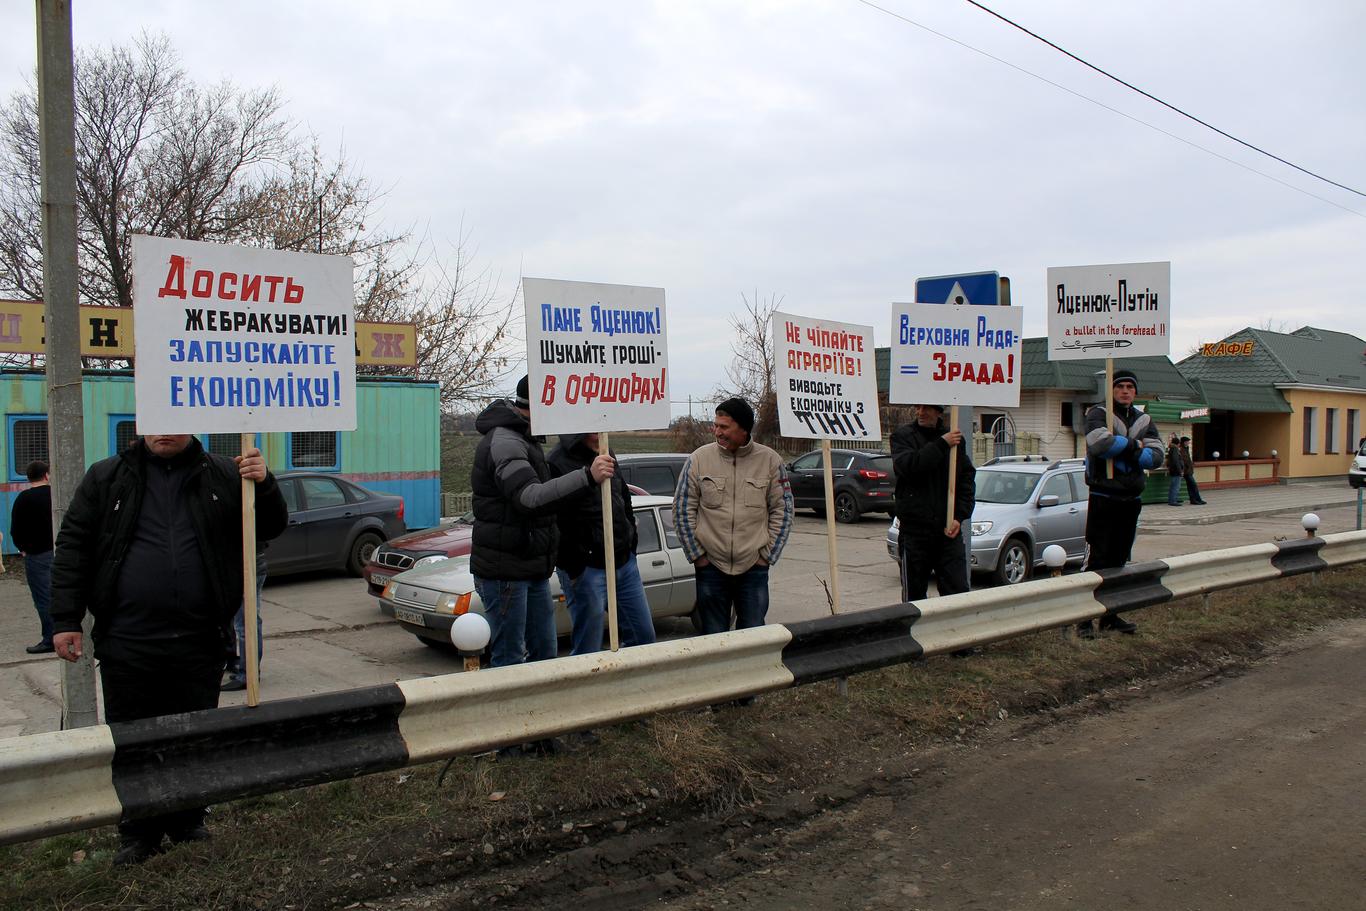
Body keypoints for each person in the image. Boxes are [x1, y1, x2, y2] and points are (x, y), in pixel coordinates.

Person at [49, 434, 288, 865]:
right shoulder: (107, 476)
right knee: (132, 739)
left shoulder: (222, 473)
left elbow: (268, 527)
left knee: (192, 736)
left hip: (199, 640)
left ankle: (187, 822)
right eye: (155, 422)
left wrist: (264, 483)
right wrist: (66, 620)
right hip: (128, 640)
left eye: (174, 422)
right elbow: (73, 547)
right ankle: (138, 832)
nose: (164, 431)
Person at [470, 376, 615, 669]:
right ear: (540, 403)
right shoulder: (507, 441)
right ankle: (511, 713)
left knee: (545, 653)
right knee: (510, 657)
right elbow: (529, 497)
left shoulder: (524, 438)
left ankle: (541, 713)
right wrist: (587, 477)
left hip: (529, 566)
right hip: (506, 571)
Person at [674, 397, 793, 634]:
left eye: (724, 427)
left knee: (753, 637)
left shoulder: (770, 461)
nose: (717, 432)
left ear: (744, 429)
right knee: (714, 638)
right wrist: (698, 556)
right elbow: (682, 510)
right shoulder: (698, 459)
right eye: (716, 425)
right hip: (711, 569)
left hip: (753, 570)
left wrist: (766, 557)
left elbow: (783, 510)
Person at [548, 432, 656, 655]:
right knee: (589, 646)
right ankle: (587, 688)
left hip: (624, 562)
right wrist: (576, 564)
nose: (600, 434)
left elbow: (622, 496)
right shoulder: (557, 460)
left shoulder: (606, 450)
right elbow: (554, 516)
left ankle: (626, 686)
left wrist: (630, 540)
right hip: (587, 567)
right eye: (594, 429)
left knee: (643, 636)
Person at [1078, 370, 1164, 637]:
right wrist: (1136, 447)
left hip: (1130, 499)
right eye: (1120, 387)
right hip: (1104, 498)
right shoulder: (1097, 414)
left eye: (1129, 387)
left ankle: (1110, 616)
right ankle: (1084, 619)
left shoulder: (1143, 419)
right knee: (1098, 559)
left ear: (1135, 392)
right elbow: (1099, 445)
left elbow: (1158, 456)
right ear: (1112, 390)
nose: (1125, 391)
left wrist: (1125, 448)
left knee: (1118, 561)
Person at [890, 404, 976, 601]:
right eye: (918, 408)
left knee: (957, 593)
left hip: (947, 532)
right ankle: (917, 632)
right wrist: (941, 444)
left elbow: (966, 479)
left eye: (926, 408)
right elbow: (910, 466)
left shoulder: (955, 441)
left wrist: (959, 516)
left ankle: (955, 631)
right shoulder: (903, 437)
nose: (921, 413)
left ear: (938, 412)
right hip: (914, 534)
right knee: (914, 595)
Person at [10, 460, 54, 654]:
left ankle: (50, 639)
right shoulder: (57, 495)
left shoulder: (23, 499)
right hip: (61, 552)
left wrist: (23, 548)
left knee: (44, 598)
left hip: (36, 556)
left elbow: (15, 530)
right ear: (46, 475)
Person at [1180, 436, 1207, 505]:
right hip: (1187, 471)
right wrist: (1189, 466)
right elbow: (1184, 461)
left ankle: (1194, 500)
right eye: (1187, 442)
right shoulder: (1182, 450)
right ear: (1184, 442)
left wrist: (1191, 464)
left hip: (1189, 471)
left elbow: (1187, 460)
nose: (1188, 443)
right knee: (1193, 485)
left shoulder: (1186, 449)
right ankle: (1197, 499)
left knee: (1190, 486)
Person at [1165, 433, 1187, 506]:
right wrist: (1180, 470)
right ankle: (1172, 501)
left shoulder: (1172, 449)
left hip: (1174, 470)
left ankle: (1173, 500)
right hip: (1176, 471)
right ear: (1178, 443)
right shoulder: (1174, 449)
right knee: (1175, 486)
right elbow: (1176, 461)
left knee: (1174, 486)